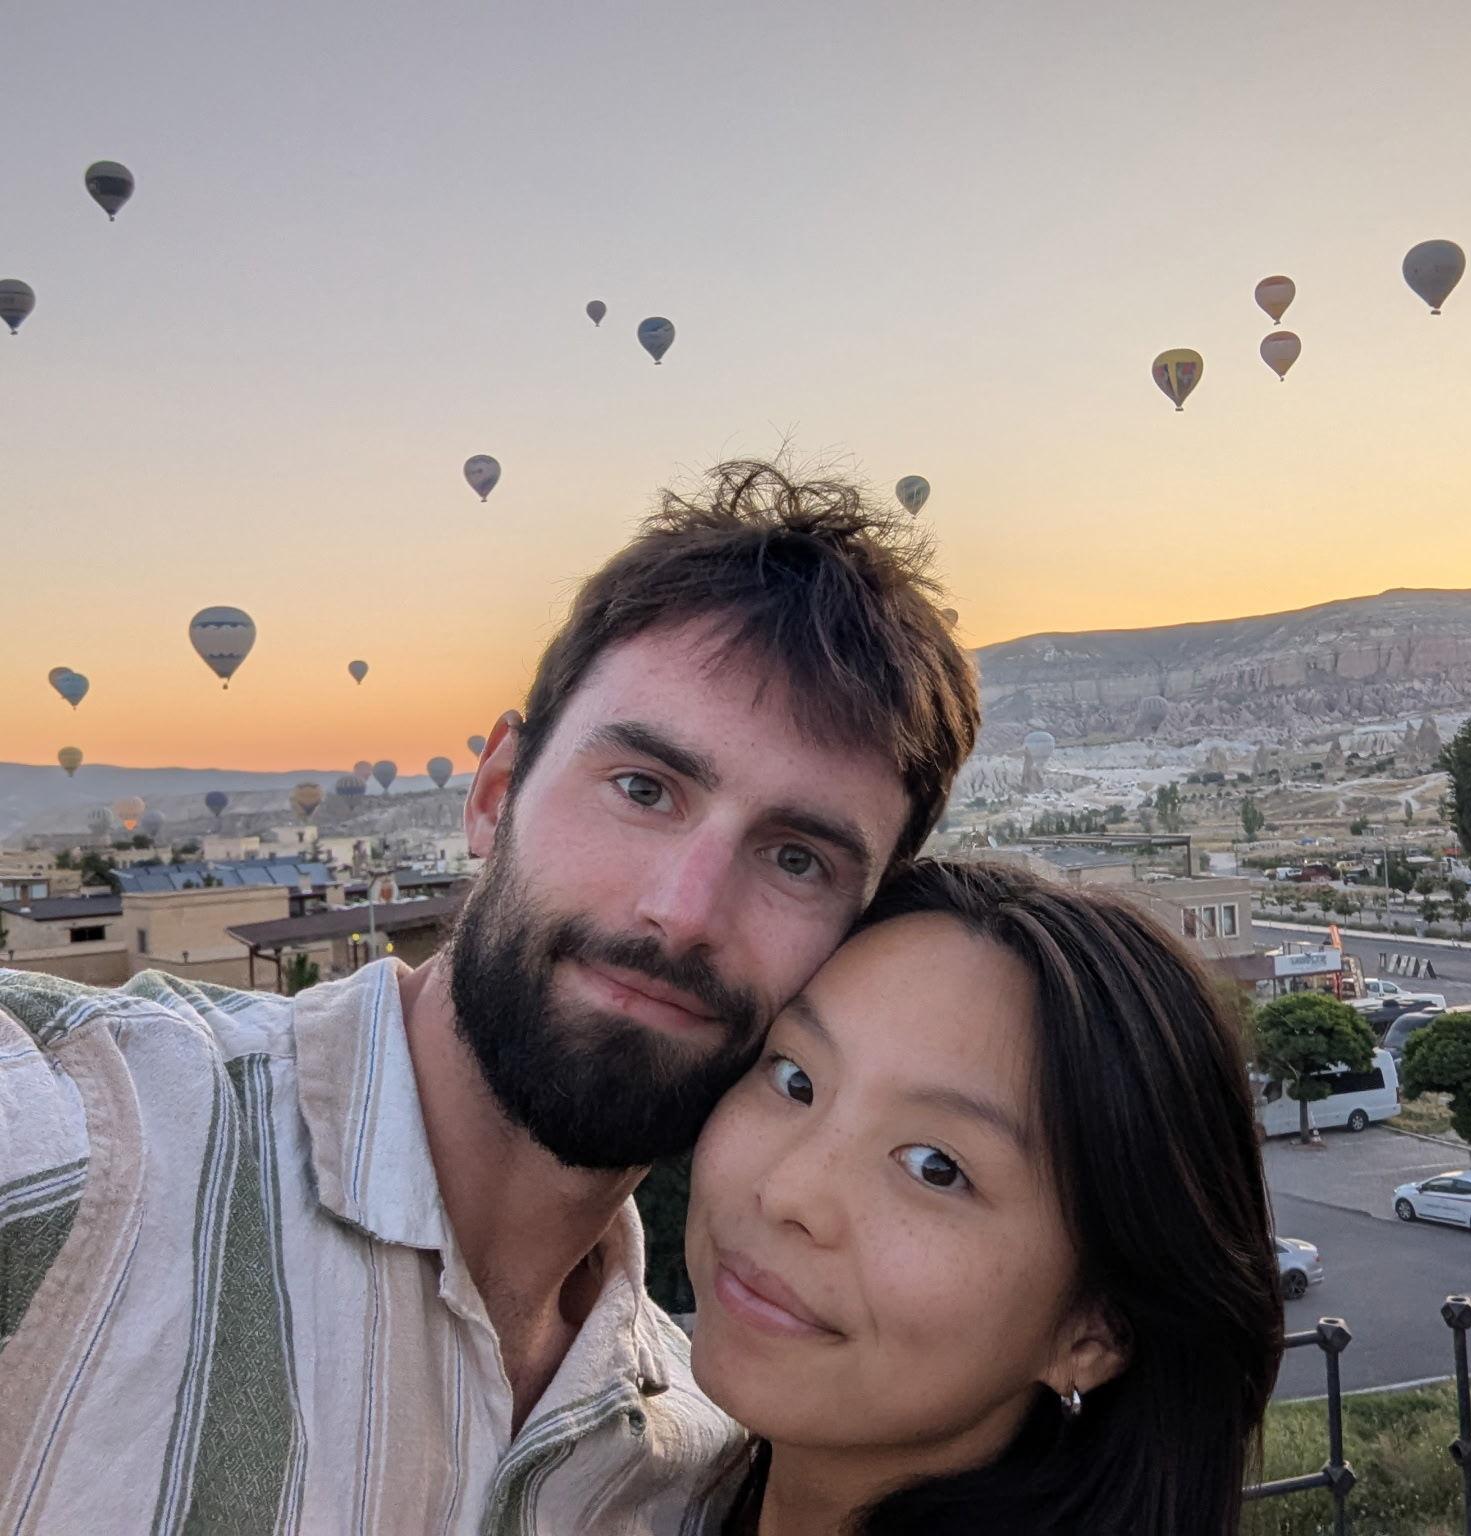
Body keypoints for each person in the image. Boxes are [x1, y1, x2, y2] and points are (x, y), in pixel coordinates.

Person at [0, 461, 978, 1534]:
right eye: (643, 789)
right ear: (495, 795)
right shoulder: (89, 1142)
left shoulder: (696, 1475)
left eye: (797, 859)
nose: (685, 911)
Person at [686, 857, 1285, 1536]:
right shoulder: (656, 1490)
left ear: (1096, 1331)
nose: (786, 1189)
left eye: (935, 1167)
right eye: (795, 1078)